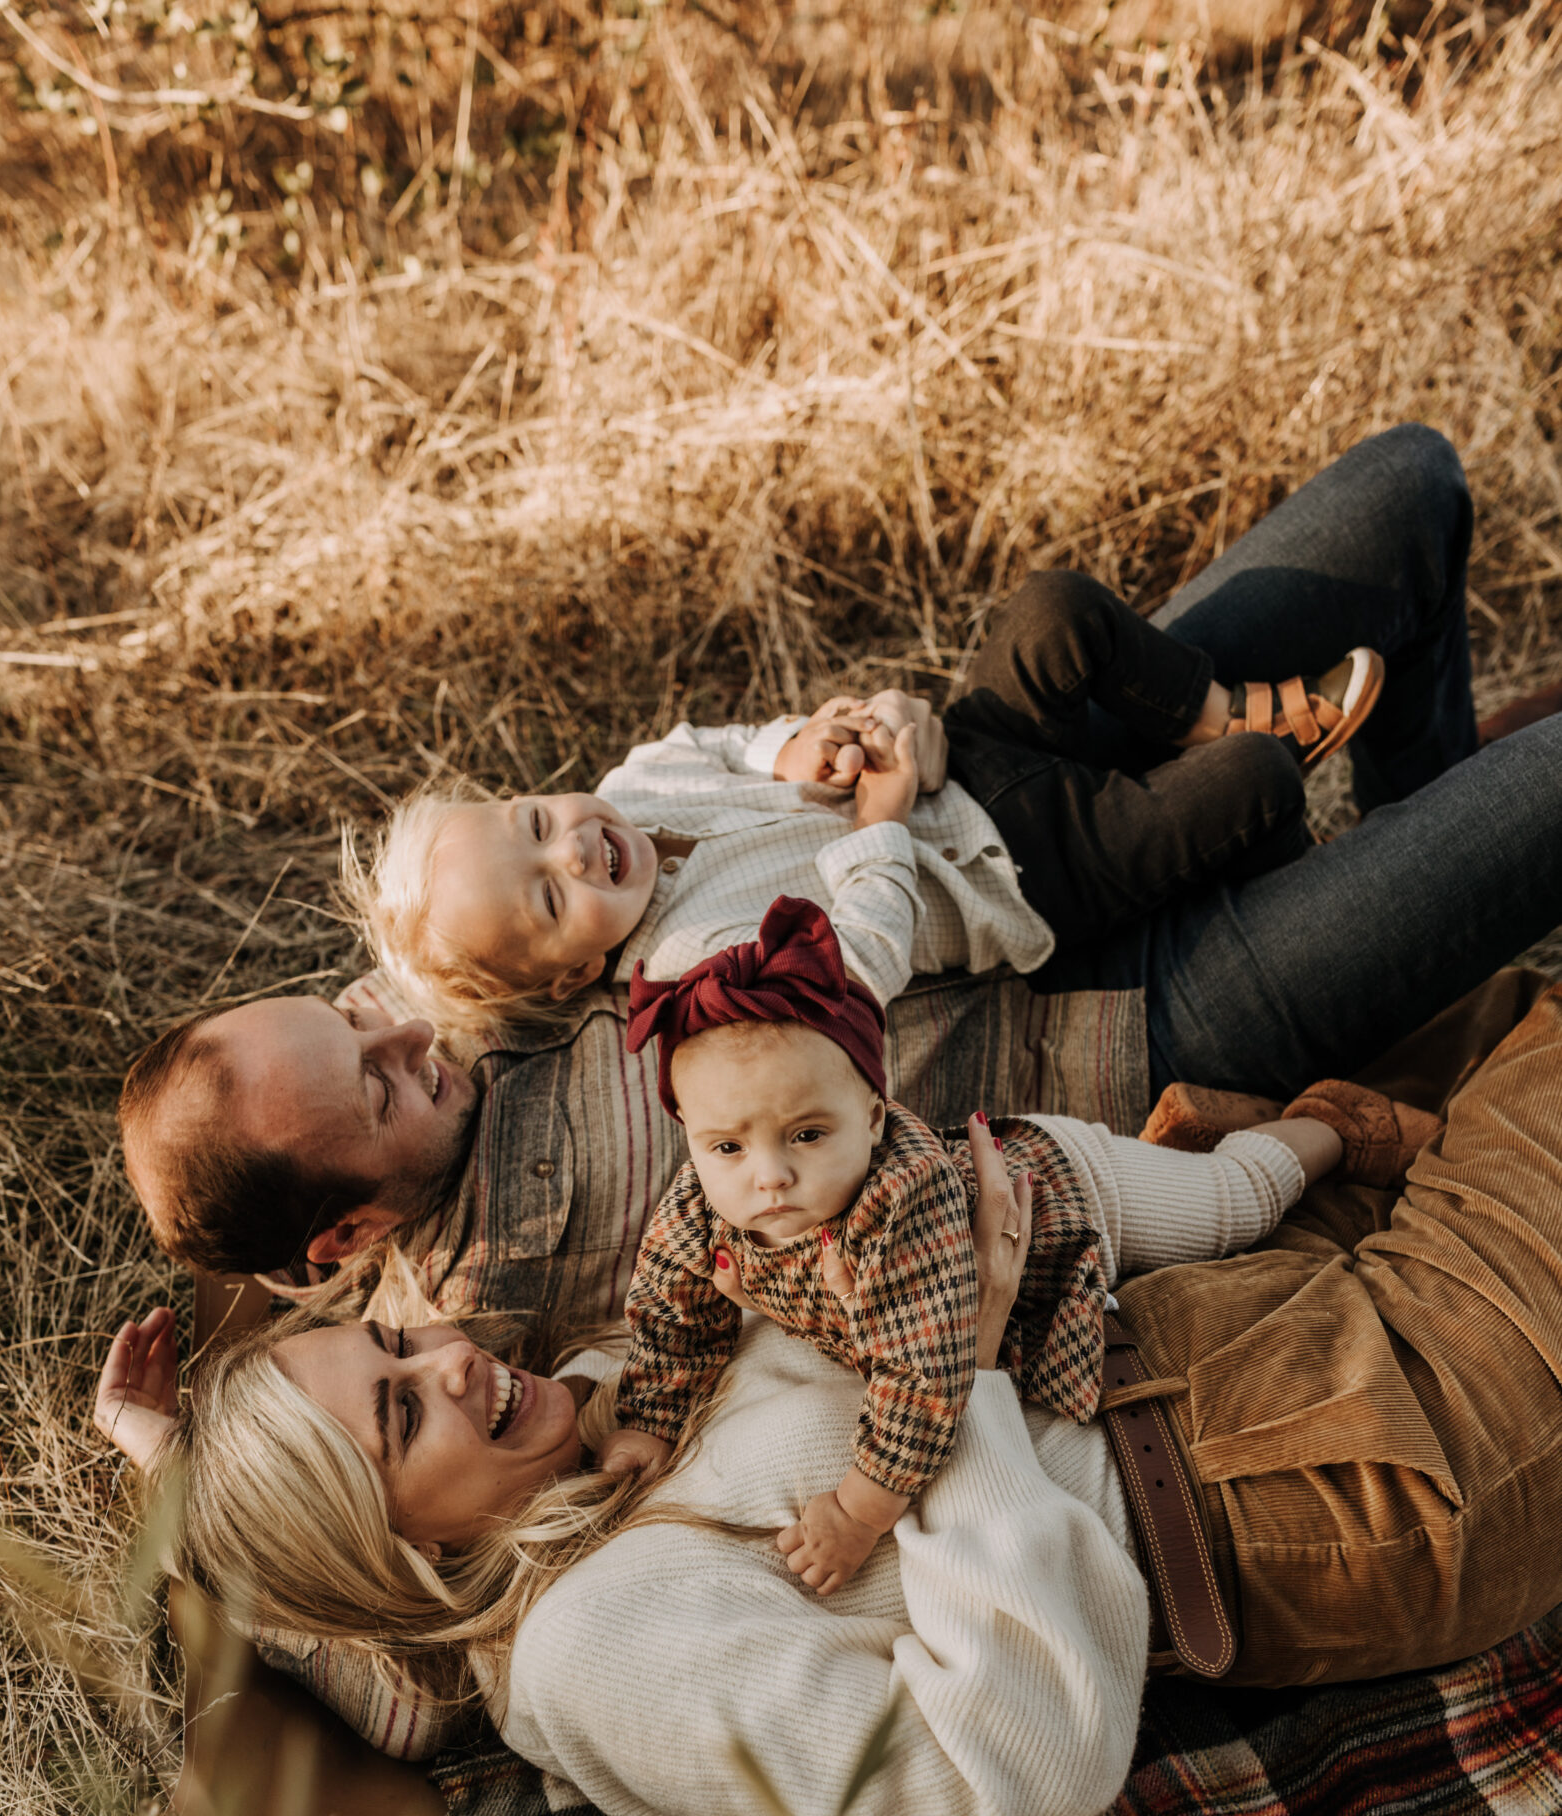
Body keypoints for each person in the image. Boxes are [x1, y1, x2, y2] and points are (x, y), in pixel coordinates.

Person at [95, 966, 1562, 1816]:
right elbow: (1023, 1760)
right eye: (403, 1421)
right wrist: (968, 1369)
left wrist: (179, 1458)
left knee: (1488, 1012)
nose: (456, 1363)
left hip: (1216, 1308)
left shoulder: (594, 1432)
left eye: (398, 1347)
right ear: (399, 1556)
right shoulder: (598, 1656)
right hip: (1314, 1464)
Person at [120, 425, 1562, 1332]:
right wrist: (160, 1445)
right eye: (372, 1083)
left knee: (1407, 486)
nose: (402, 1038)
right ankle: (1413, 897)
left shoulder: (456, 999)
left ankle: (1415, 853)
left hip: (999, 814)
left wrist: (864, 745)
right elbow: (327, 1483)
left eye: (356, 1015)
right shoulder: (482, 1304)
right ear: (350, 1234)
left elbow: (535, 872)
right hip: (1137, 1018)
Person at [604, 893, 1362, 1595]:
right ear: (692, 1141)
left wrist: (859, 1510)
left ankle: (1332, 1125)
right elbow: (671, 1314)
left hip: (1075, 1198)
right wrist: (649, 1418)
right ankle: (1194, 1134)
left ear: (873, 1117)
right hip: (1012, 1257)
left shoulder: (901, 1204)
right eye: (727, 1147)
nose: (768, 1177)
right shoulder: (704, 1204)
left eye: (807, 1134)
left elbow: (924, 1377)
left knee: (1237, 1208)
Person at [342, 566, 1380, 1035]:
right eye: (549, 902)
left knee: (1052, 612)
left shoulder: (635, 782)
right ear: (572, 975)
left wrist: (811, 746)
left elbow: (731, 745)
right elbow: (857, 971)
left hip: (969, 752)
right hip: (1019, 873)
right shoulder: (690, 965)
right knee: (1251, 789)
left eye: (534, 824)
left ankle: (1213, 708)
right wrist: (877, 824)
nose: (571, 852)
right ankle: (1286, 844)